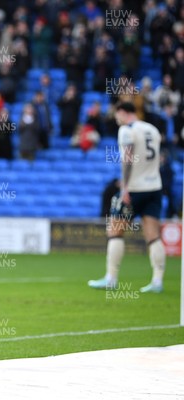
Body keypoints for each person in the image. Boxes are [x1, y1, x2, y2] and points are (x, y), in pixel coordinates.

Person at [88, 102, 165, 293]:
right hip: (155, 186)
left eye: (117, 114)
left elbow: (128, 159)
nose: (116, 118)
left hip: (135, 188)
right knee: (153, 236)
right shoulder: (152, 129)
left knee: (114, 231)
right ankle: (157, 281)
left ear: (124, 112)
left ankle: (111, 278)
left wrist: (125, 188)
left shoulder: (126, 130)